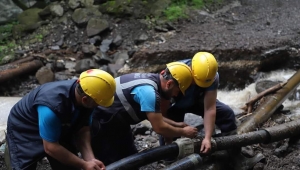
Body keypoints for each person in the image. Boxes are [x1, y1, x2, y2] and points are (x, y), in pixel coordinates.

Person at [5, 69, 116, 170]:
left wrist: (90, 160)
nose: (98, 106)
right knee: (24, 166)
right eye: (97, 104)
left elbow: (83, 129)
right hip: (25, 127)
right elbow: (50, 147)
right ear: (85, 99)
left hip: (60, 124)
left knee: (69, 165)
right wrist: (83, 165)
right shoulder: (52, 107)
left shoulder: (88, 94)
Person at [91, 62, 198, 165]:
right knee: (110, 162)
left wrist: (176, 124)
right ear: (169, 84)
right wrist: (184, 132)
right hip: (102, 123)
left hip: (118, 122)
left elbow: (154, 116)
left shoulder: (151, 80)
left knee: (131, 158)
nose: (175, 95)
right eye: (178, 91)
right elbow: (159, 127)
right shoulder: (149, 93)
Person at [160, 52, 237, 154]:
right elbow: (161, 111)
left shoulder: (211, 76)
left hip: (196, 99)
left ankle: (231, 151)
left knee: (226, 114)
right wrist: (169, 134)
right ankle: (168, 156)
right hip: (174, 103)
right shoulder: (174, 73)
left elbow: (209, 108)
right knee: (170, 133)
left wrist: (207, 138)